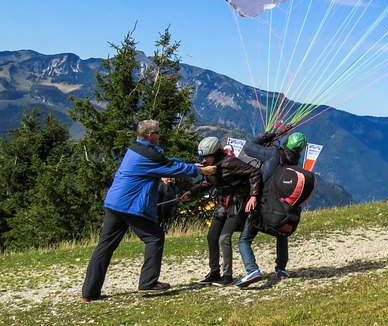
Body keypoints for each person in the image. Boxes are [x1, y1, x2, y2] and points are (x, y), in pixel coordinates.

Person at [81, 120, 215, 302]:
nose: (160, 135)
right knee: (154, 237)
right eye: (158, 133)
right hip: (130, 205)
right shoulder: (149, 154)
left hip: (115, 203)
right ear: (151, 136)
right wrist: (201, 171)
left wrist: (193, 166)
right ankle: (147, 283)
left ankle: (89, 293)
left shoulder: (136, 149)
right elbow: (171, 168)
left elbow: (167, 162)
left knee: (104, 247)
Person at [185, 137, 262, 287]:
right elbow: (209, 181)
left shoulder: (230, 163)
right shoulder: (211, 164)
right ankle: (214, 272)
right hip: (222, 204)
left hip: (236, 204)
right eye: (203, 157)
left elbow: (254, 173)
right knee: (211, 236)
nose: (205, 160)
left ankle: (227, 276)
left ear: (215, 152)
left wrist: (253, 196)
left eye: (207, 156)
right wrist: (191, 192)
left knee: (224, 238)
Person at [236, 131, 307, 288]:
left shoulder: (273, 153)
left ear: (286, 142)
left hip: (261, 207)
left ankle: (252, 269)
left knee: (245, 240)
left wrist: (264, 137)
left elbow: (248, 147)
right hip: (280, 212)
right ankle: (281, 269)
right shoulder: (295, 164)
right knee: (281, 234)